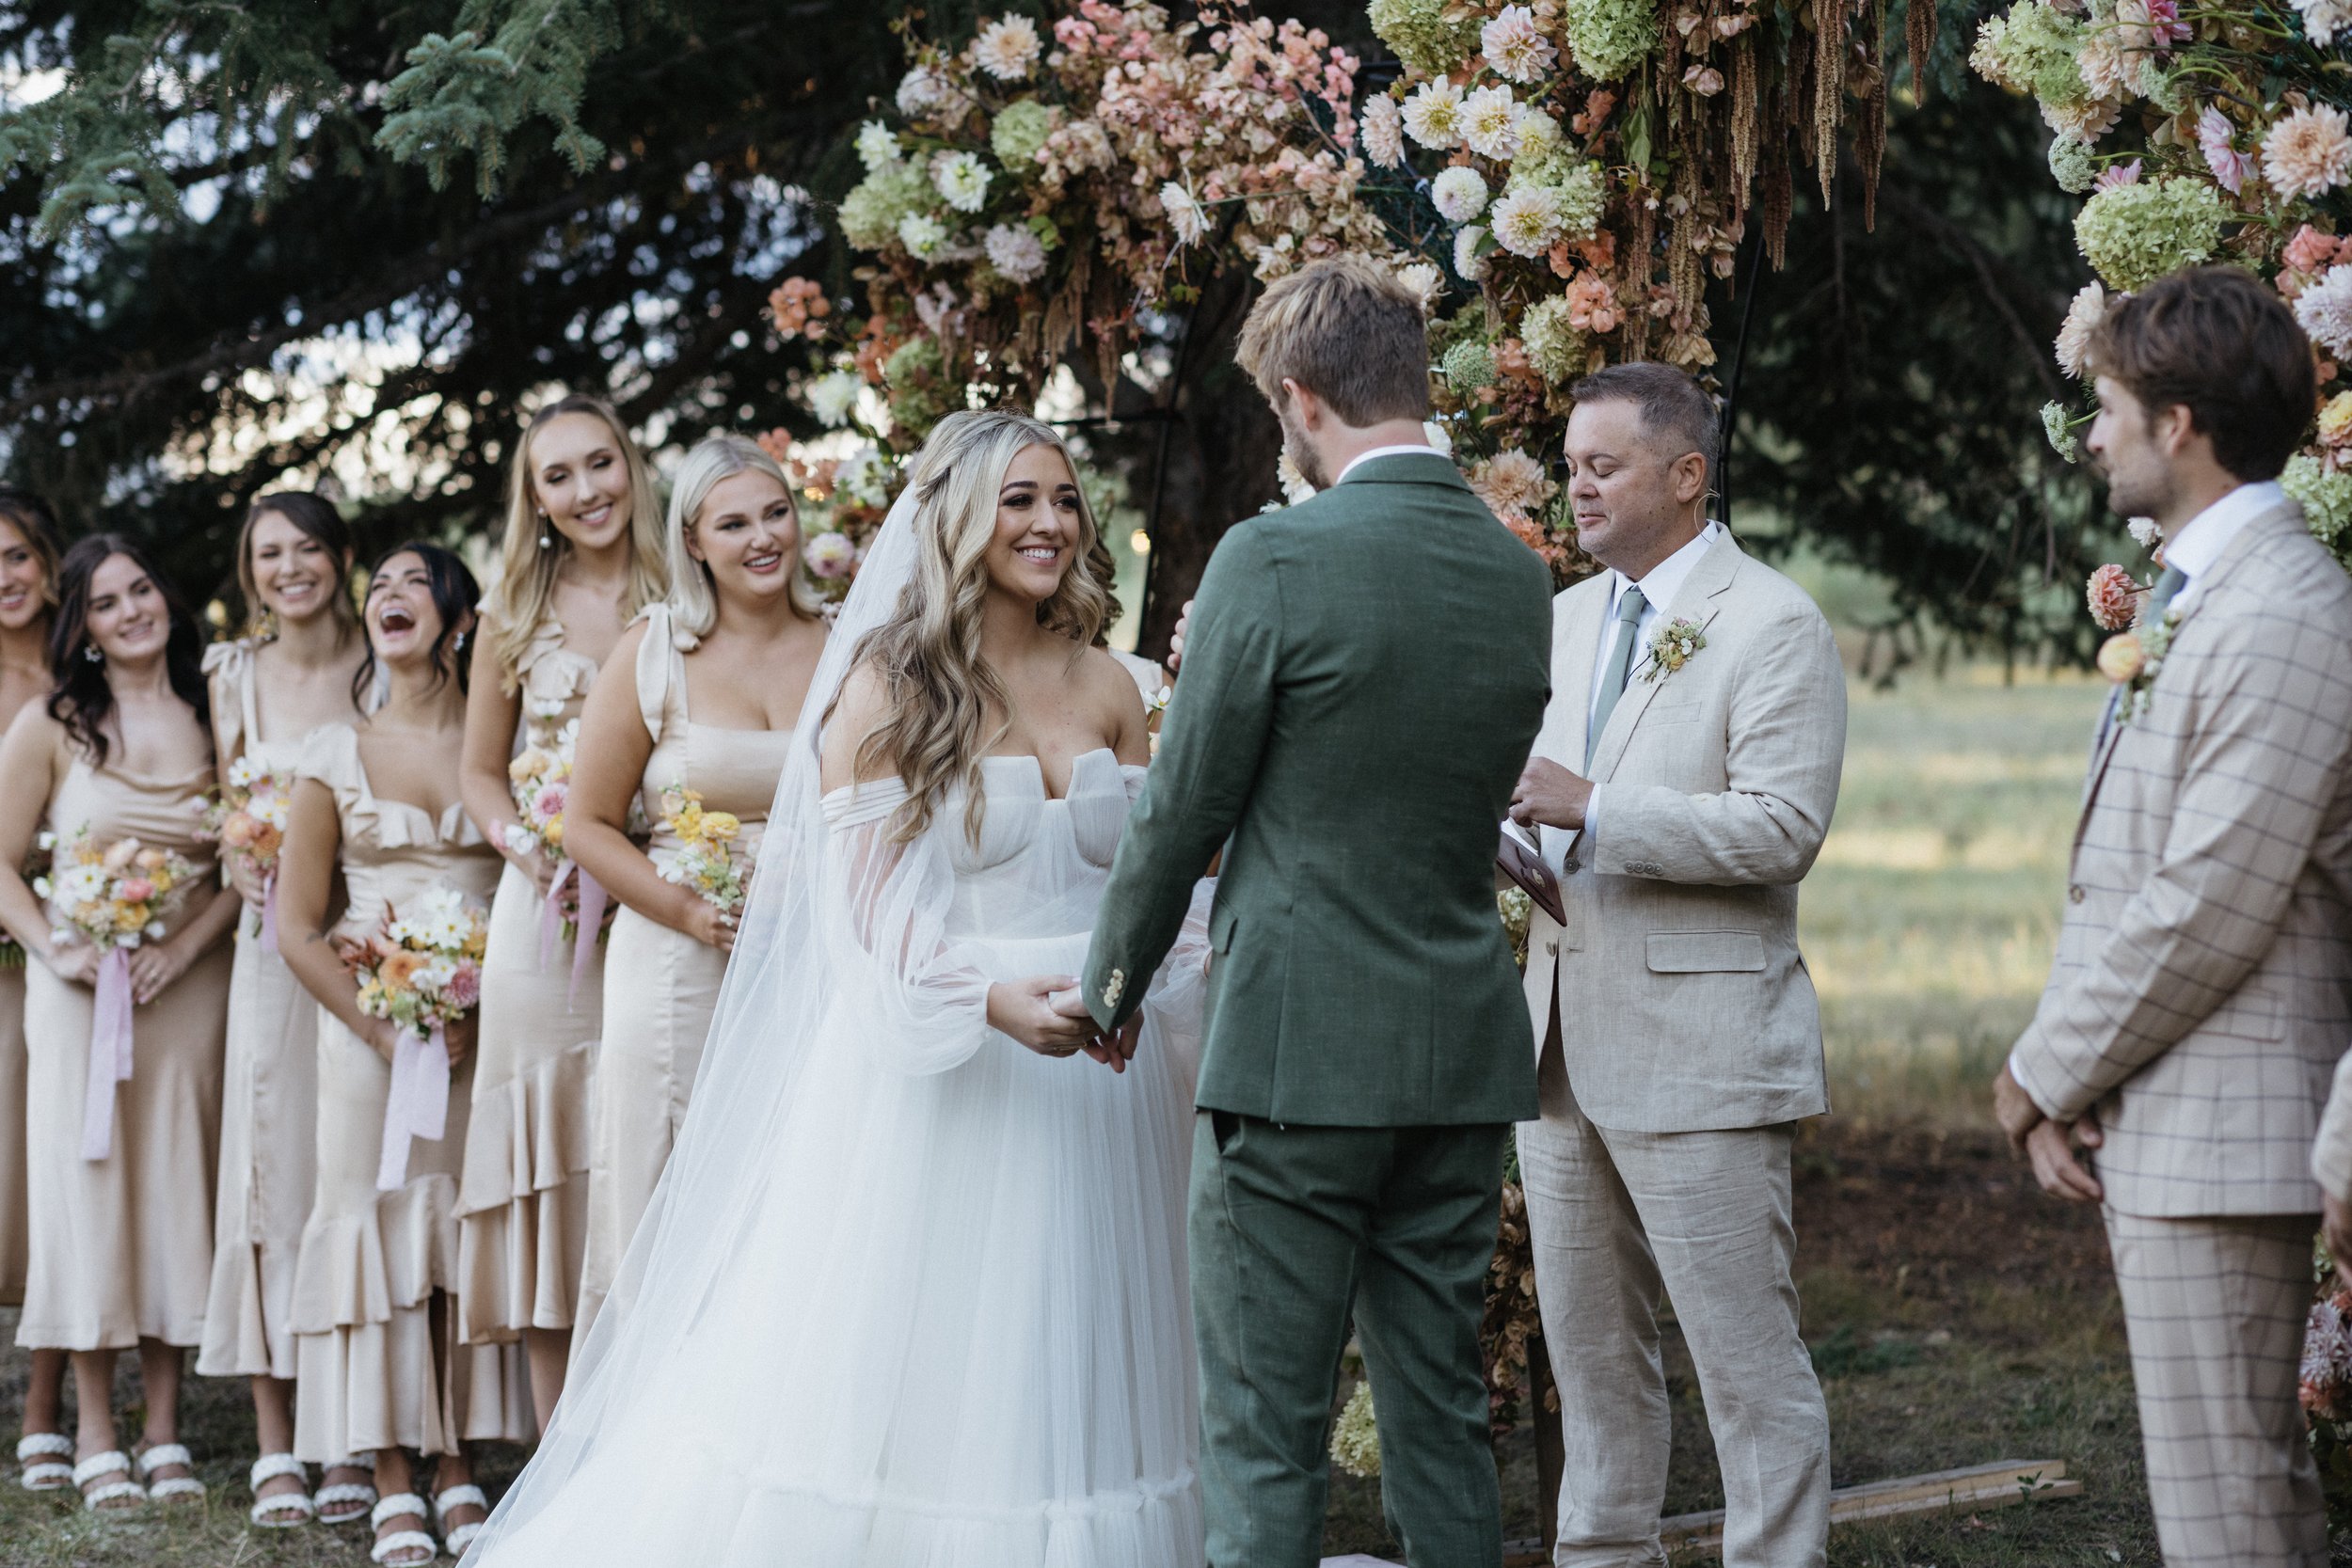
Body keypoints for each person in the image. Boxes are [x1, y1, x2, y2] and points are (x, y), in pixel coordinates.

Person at [464, 408, 1212, 1565]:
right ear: (957, 519)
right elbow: (860, 911)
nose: (1051, 522)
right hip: (955, 1054)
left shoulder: (1108, 680)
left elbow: (1154, 871)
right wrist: (984, 1001)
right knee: (949, 1350)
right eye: (1018, 500)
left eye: (1062, 498)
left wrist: (1136, 983)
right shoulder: (886, 685)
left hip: (1100, 1061)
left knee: (1083, 1348)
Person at [1077, 254, 1554, 1568]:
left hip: (1294, 1060)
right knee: (1443, 1408)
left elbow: (1184, 806)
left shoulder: (1273, 554)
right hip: (1458, 1053)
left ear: (1300, 400)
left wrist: (1109, 986)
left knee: (1264, 1426)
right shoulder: (1516, 576)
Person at [1994, 266, 2352, 1568]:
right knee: (2224, 1496)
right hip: (2173, 1110)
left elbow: (2213, 895)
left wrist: (2044, 1067)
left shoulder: (2282, 610)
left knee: (2233, 1516)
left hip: (2228, 1124)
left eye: (2109, 405)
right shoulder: (2207, 594)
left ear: (2181, 423)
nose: (2092, 434)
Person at [1508, 362, 1845, 1568]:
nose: (1577, 486)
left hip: (1700, 1048)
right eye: (1571, 464)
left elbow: (1780, 827)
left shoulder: (1774, 621)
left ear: (1686, 475)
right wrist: (1517, 840)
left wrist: (1596, 810)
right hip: (1554, 1047)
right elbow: (1543, 807)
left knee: (1747, 1369)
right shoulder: (1561, 618)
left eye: (1603, 464)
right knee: (1592, 1364)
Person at [277, 543, 532, 1566]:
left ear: (459, 618)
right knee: (376, 1231)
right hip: (366, 1035)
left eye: (414, 581)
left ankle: (460, 1457)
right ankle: (387, 1466)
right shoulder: (330, 751)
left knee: (457, 1233)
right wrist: (384, 1025)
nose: (390, 594)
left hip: (485, 1027)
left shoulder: (500, 746)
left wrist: (480, 1004)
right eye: (377, 582)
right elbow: (298, 925)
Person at [565, 432, 824, 1346]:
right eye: (734, 521)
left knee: (792, 1186)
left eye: (776, 512)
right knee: (660, 1195)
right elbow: (586, 822)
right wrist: (687, 911)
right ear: (695, 540)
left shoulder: (845, 644)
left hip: (808, 956)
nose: (762, 537)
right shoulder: (654, 650)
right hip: (677, 960)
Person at [0, 535, 239, 1511]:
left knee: (174, 1185)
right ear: (84, 628)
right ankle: (93, 1424)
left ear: (167, 600)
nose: (132, 609)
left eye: (143, 587)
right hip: (77, 987)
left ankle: (165, 1424)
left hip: (185, 984)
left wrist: (183, 950)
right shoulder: (52, 722)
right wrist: (57, 948)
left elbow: (247, 862)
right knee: (85, 1187)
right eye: (106, 601)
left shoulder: (221, 712)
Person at [456, 392, 667, 1427]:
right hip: (540, 926)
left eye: (600, 463)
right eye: (559, 475)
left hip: (664, 902)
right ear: (532, 499)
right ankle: (555, 1450)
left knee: (652, 1141)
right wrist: (530, 849)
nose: (587, 491)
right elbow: (479, 775)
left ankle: (655, 1427)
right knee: (551, 1165)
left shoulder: (687, 588)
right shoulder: (512, 612)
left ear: (631, 465)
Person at [195, 490, 374, 1528]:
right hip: (270, 949)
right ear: (249, 571)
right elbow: (228, 815)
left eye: (309, 546)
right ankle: (275, 1436)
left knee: (350, 1168)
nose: (291, 566)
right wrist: (248, 851)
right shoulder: (234, 677)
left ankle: (350, 1427)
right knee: (269, 1170)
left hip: (370, 934)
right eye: (270, 553)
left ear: (342, 555)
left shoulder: (385, 659)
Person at [0, 489, 70, 1494]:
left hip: (62, 957)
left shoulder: (81, 673)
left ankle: (49, 1399)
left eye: (15, 556)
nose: (3, 578)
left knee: (51, 1174)